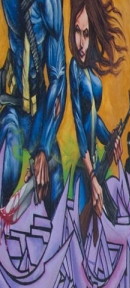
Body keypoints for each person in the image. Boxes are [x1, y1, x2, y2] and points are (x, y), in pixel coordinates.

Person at [0, 0, 67, 217]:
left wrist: (45, 148)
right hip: (14, 105)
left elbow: (58, 77)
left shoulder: (51, 8)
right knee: (9, 155)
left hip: (39, 117)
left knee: (55, 181)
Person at [68, 0, 126, 232]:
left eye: (86, 34)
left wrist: (111, 138)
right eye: (76, 31)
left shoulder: (94, 79)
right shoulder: (74, 68)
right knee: (78, 238)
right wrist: (92, 176)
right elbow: (80, 125)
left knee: (94, 240)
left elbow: (93, 120)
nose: (80, 43)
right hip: (84, 173)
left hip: (95, 173)